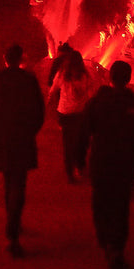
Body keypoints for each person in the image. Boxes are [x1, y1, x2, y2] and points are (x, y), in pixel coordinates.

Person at [79, 59, 134, 269]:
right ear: (129, 79)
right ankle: (118, 250)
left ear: (109, 78)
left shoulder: (96, 103)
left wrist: (77, 159)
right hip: (125, 164)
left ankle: (107, 246)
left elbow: (83, 133)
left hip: (101, 163)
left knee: (100, 205)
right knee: (121, 208)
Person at [0, 44, 45, 258]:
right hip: (23, 138)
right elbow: (39, 112)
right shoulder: (30, 81)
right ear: (21, 59)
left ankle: (13, 224)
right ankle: (13, 231)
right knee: (19, 182)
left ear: (4, 58)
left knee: (8, 181)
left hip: (3, 139)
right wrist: (30, 132)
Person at [46, 48, 90, 182]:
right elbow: (87, 91)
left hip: (64, 112)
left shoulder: (62, 74)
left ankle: (69, 172)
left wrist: (48, 100)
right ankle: (79, 165)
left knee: (67, 142)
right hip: (79, 112)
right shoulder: (83, 75)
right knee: (79, 140)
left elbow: (53, 88)